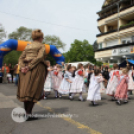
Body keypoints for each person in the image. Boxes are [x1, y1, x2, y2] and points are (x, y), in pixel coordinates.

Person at [17, 29, 47, 120]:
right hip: (36, 69)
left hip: (25, 70)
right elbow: (40, 57)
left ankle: (26, 112)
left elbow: (21, 58)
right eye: (42, 37)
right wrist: (29, 66)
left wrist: (23, 67)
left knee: (26, 91)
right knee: (34, 90)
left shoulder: (27, 46)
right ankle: (28, 113)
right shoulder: (42, 46)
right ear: (40, 38)